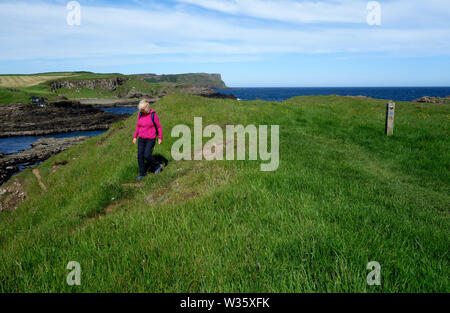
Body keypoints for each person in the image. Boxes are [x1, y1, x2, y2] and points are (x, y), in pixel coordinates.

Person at [133, 99, 163, 181]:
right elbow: (138, 126)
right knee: (140, 157)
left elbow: (159, 127)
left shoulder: (153, 115)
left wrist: (160, 138)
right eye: (140, 109)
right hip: (141, 139)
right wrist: (135, 137)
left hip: (151, 138)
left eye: (142, 109)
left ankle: (157, 166)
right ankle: (142, 173)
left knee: (147, 155)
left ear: (147, 108)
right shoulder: (140, 115)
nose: (141, 111)